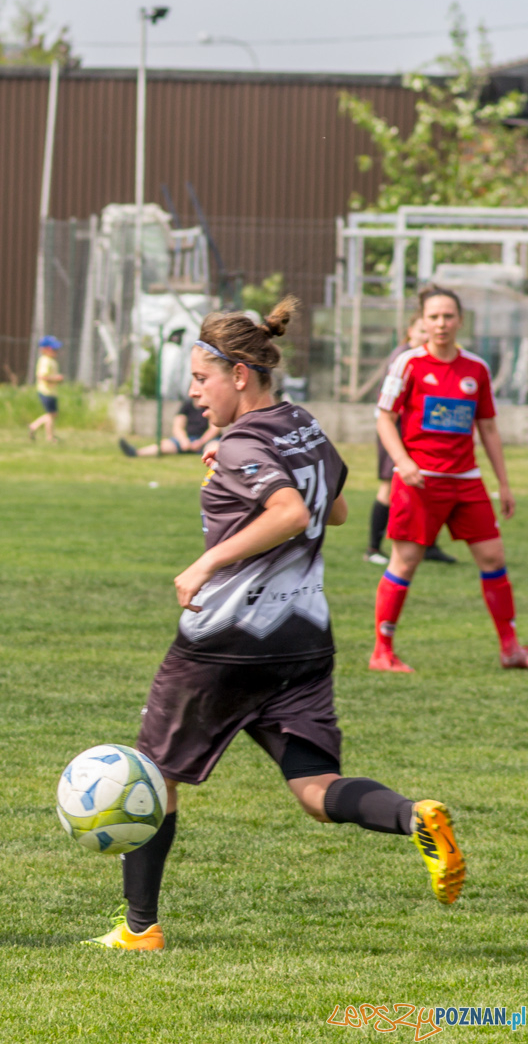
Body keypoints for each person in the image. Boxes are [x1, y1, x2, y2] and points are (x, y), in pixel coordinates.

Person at [85, 298, 465, 951]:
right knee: (314, 788)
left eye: (201, 378)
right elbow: (336, 510)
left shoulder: (242, 440)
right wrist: (240, 489)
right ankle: (413, 815)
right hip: (305, 639)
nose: (192, 391)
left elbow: (289, 510)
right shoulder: (304, 425)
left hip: (224, 643)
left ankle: (139, 927)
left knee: (155, 773)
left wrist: (209, 558)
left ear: (239, 373)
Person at [370, 286, 526, 672]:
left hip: (466, 480)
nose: (441, 324)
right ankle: (382, 651)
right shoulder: (407, 364)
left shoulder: (476, 368)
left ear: (460, 320)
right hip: (420, 482)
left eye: (448, 316)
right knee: (405, 562)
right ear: (422, 321)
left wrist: (503, 484)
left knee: (493, 557)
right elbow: (384, 417)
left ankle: (511, 649)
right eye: (434, 316)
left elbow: (487, 427)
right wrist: (402, 462)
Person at [367, 316, 454, 565]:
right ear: (410, 331)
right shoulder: (404, 358)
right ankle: (373, 547)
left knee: (426, 484)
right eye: (422, 330)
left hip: (415, 432)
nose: (428, 336)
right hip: (394, 430)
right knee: (388, 486)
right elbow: (390, 407)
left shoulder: (427, 357)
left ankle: (428, 545)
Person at [118, 396, 220, 457]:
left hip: (207, 440)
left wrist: (200, 442)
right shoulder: (186, 406)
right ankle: (136, 453)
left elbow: (214, 428)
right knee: (164, 445)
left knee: (214, 448)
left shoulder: (210, 405)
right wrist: (183, 440)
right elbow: (177, 427)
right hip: (187, 440)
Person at [28, 335, 64, 443]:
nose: (56, 351)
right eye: (53, 349)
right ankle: (48, 436)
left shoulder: (51, 360)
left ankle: (36, 428)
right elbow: (42, 376)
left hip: (51, 392)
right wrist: (56, 379)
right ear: (45, 350)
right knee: (51, 415)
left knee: (52, 415)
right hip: (46, 391)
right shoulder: (45, 361)